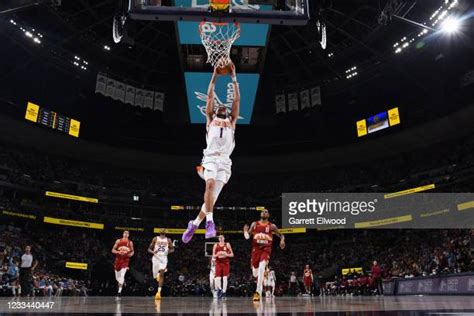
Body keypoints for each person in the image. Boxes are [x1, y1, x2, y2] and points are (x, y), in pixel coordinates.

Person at [182, 61, 240, 243]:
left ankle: (194, 223)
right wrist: (214, 76)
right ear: (215, 110)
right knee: (209, 185)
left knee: (212, 199)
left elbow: (237, 100)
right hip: (210, 158)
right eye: (219, 106)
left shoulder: (232, 121)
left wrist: (234, 78)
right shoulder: (210, 119)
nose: (222, 107)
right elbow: (209, 97)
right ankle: (209, 222)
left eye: (225, 107)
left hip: (225, 162)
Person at [243, 209, 285, 301]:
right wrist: (245, 232)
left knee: (262, 268)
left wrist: (282, 240)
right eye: (263, 211)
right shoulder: (254, 224)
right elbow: (247, 237)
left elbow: (281, 235)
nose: (264, 212)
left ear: (268, 215)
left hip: (266, 249)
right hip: (256, 249)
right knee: (255, 273)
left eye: (266, 211)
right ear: (260, 214)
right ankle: (255, 271)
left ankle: (258, 292)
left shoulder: (272, 226)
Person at [148, 229, 174, 300]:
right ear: (159, 232)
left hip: (163, 258)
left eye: (164, 230)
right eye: (161, 230)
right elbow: (149, 249)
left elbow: (172, 249)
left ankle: (159, 292)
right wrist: (153, 252)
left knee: (162, 273)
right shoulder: (155, 238)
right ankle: (157, 276)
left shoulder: (168, 240)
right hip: (156, 257)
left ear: (165, 232)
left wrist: (168, 252)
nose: (163, 230)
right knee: (155, 276)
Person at [111, 230, 134, 297]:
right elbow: (112, 250)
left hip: (125, 260)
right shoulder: (118, 241)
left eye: (127, 233)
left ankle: (119, 292)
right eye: (125, 233)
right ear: (123, 234)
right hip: (118, 260)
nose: (126, 234)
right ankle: (122, 282)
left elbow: (133, 251)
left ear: (128, 235)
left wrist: (131, 254)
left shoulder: (130, 243)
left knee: (122, 275)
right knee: (117, 278)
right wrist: (118, 252)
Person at [213, 234, 234, 299]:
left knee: (225, 278)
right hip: (218, 262)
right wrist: (217, 254)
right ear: (218, 239)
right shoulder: (216, 245)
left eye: (222, 237)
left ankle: (224, 292)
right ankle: (219, 289)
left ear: (224, 238)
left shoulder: (227, 244)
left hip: (225, 263)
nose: (221, 238)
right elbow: (213, 255)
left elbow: (232, 254)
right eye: (220, 237)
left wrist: (226, 254)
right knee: (217, 278)